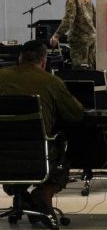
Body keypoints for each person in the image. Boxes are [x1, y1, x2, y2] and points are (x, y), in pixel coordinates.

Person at [0, 40, 85, 215]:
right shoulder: (51, 81)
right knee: (64, 154)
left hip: (3, 153)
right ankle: (44, 193)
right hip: (38, 153)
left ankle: (23, 196)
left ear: (19, 58)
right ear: (44, 61)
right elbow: (76, 114)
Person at [49, 0, 97, 69]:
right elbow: (94, 17)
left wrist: (56, 35)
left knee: (79, 69)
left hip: (79, 40)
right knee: (91, 68)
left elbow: (68, 20)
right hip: (91, 38)